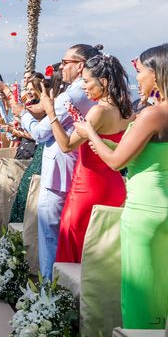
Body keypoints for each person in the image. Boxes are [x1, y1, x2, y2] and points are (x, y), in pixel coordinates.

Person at [74, 44, 168, 330]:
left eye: (140, 72)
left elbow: (116, 162)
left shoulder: (153, 114)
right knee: (162, 295)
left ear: (157, 73)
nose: (136, 78)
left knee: (139, 298)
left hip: (144, 215)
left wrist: (90, 132)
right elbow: (147, 153)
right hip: (162, 209)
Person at [15, 44, 100, 280]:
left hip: (59, 174)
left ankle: (48, 294)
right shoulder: (95, 93)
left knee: (50, 236)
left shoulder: (72, 95)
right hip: (81, 172)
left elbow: (41, 134)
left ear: (80, 65)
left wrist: (22, 113)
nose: (61, 66)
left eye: (65, 62)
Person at [42, 53, 132, 264]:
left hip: (87, 189)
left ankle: (69, 295)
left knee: (73, 246)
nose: (84, 86)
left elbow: (66, 145)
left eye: (87, 81)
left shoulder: (99, 111)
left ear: (103, 82)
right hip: (114, 187)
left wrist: (51, 112)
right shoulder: (126, 110)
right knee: (100, 251)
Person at [9, 67, 65, 224]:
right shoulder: (51, 103)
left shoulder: (51, 104)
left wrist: (10, 95)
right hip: (43, 152)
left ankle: (23, 236)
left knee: (29, 191)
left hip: (43, 153)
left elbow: (38, 133)